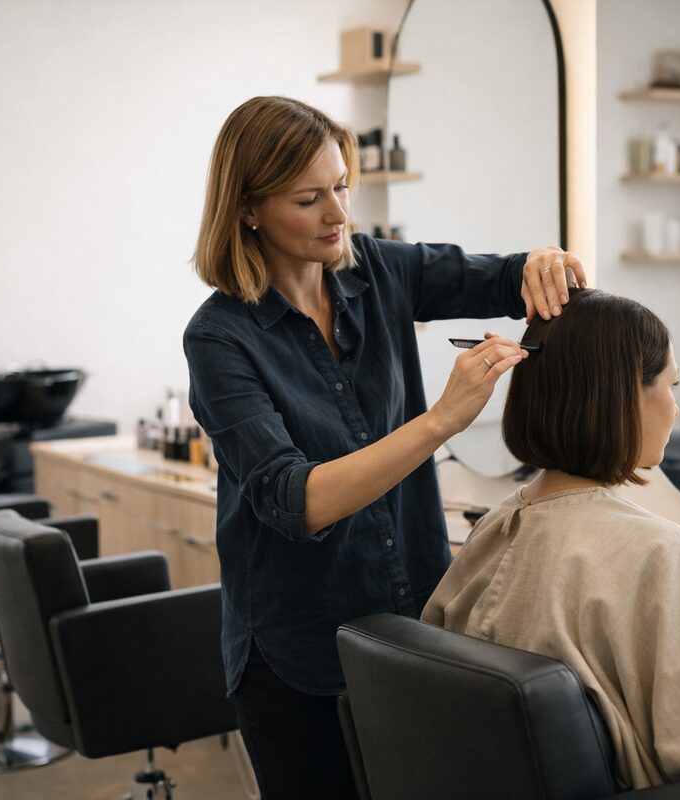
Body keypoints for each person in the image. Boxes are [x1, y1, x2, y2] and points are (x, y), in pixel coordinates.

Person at [182, 95, 587, 799]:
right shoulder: (220, 338)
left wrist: (542, 264)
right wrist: (441, 421)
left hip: (415, 628)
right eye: (309, 199)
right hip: (296, 652)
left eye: (342, 186)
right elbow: (293, 502)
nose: (338, 214)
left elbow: (502, 275)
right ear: (248, 209)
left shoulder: (381, 271)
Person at [422, 288, 680, 790]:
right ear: (623, 397)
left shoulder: (494, 529)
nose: (676, 409)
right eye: (671, 384)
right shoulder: (662, 556)